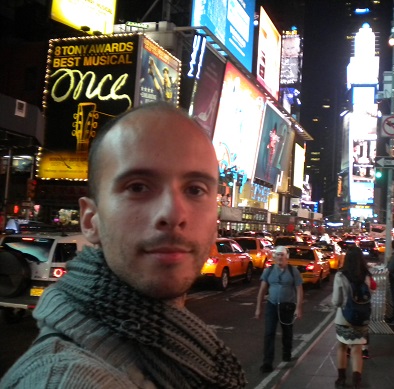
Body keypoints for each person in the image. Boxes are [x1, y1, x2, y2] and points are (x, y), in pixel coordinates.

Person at [0, 103, 247, 388]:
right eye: (138, 187)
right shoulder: (63, 380)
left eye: (195, 190)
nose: (173, 214)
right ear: (91, 220)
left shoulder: (185, 352)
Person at [332, 246, 376, 389]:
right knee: (357, 348)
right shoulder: (367, 276)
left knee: (341, 347)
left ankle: (341, 378)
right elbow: (371, 294)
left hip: (343, 316)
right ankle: (357, 381)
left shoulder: (340, 276)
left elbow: (336, 301)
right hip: (361, 316)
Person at [255, 246, 303, 373]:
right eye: (277, 255)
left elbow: (299, 289)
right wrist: (258, 307)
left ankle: (287, 353)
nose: (280, 257)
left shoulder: (293, 271)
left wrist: (298, 307)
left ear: (286, 257)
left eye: (282, 255)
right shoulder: (269, 271)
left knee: (287, 332)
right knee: (269, 333)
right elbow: (262, 290)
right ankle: (267, 363)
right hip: (272, 305)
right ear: (274, 257)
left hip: (287, 306)